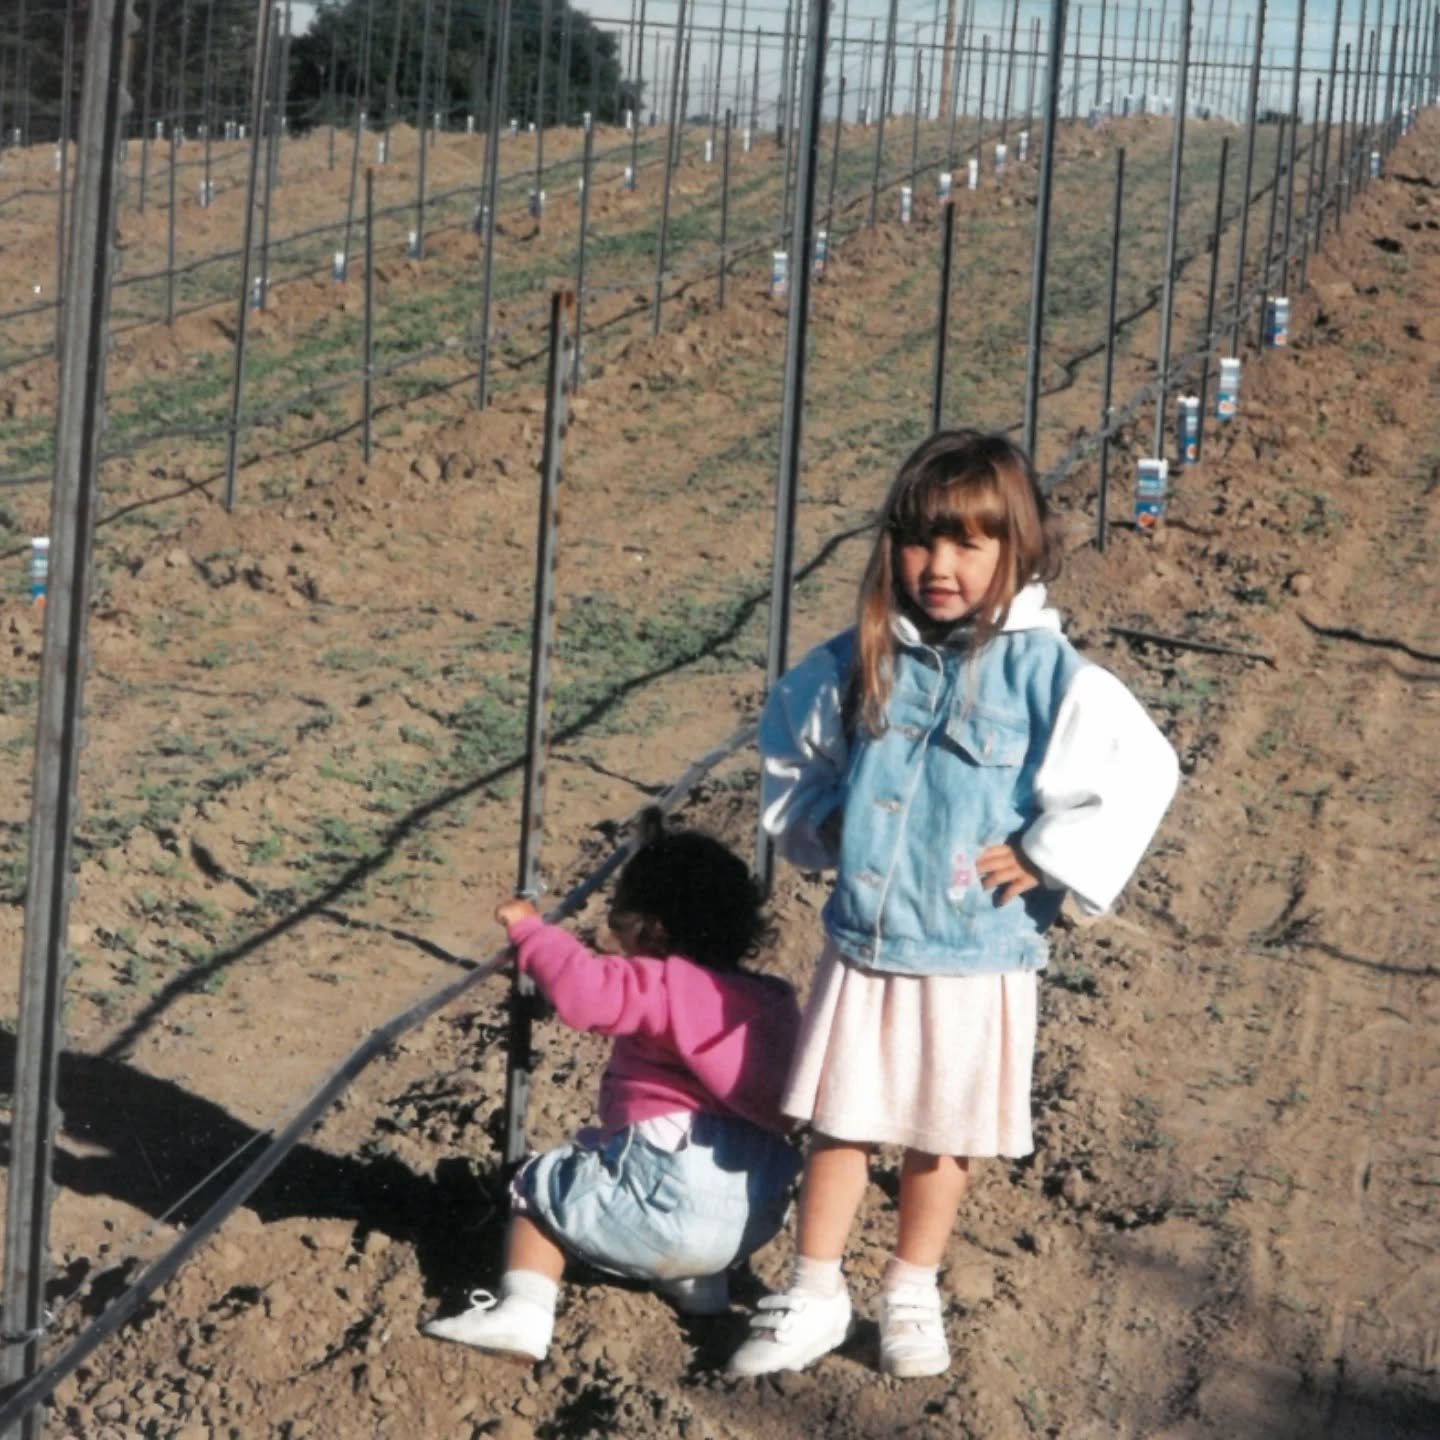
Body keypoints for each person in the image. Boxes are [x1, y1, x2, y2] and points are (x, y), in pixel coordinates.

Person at [729, 429, 1179, 1380]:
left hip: (976, 955)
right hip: (870, 944)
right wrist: (825, 824)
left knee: (941, 1136)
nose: (939, 567)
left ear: (1016, 550)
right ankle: (814, 1290)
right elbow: (789, 739)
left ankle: (909, 1289)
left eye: (969, 545)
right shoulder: (860, 660)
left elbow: (1141, 770)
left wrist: (1043, 854)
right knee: (842, 1124)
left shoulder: (1050, 674)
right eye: (921, 542)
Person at [422, 813, 802, 1363]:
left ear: (651, 930)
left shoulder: (664, 981)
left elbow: (586, 993)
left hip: (666, 1199)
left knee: (539, 1187)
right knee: (715, 1167)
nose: (610, 932)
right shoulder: (771, 1000)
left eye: (617, 916)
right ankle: (700, 1284)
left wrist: (532, 932)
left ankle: (523, 1314)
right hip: (752, 1220)